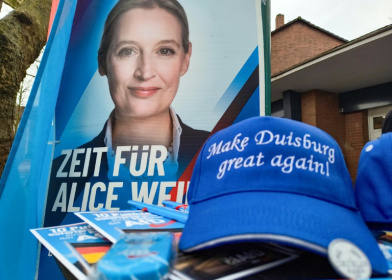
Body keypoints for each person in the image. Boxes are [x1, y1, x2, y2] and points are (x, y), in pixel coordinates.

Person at [44, 0, 210, 228]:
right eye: (127, 51)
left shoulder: (219, 158)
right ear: (103, 62)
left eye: (164, 51)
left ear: (186, 58)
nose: (145, 72)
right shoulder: (57, 176)